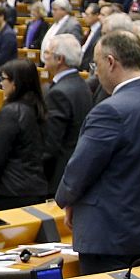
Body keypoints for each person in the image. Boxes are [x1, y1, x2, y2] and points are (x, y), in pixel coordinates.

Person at [55, 30, 140, 275]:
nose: (95, 72)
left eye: (96, 65)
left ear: (110, 62)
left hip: (107, 235)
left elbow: (81, 168)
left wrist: (66, 198)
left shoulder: (110, 110)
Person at [0, 58, 48, 212]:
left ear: (15, 83)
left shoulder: (11, 113)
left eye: (3, 78)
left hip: (9, 193)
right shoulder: (36, 108)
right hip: (32, 189)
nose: (0, 83)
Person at [41, 34, 93, 196]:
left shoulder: (58, 93)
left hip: (58, 175)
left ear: (60, 59)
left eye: (47, 52)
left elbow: (50, 144)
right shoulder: (81, 84)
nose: (44, 56)